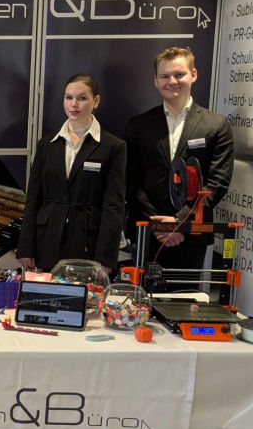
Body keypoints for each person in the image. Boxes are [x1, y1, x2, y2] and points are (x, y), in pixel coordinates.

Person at [123, 47, 234, 273]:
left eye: (179, 74)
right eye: (165, 76)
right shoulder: (138, 125)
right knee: (140, 295)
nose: (172, 81)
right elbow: (130, 181)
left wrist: (180, 222)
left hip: (192, 234)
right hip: (147, 231)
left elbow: (217, 183)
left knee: (187, 295)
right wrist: (158, 224)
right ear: (156, 81)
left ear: (193, 74)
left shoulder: (217, 125)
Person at [17, 73, 126, 273]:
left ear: (96, 101)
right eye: (69, 97)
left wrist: (105, 257)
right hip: (47, 240)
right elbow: (33, 198)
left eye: (82, 98)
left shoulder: (113, 147)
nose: (73, 104)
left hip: (87, 242)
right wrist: (26, 247)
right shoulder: (46, 145)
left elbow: (114, 205)